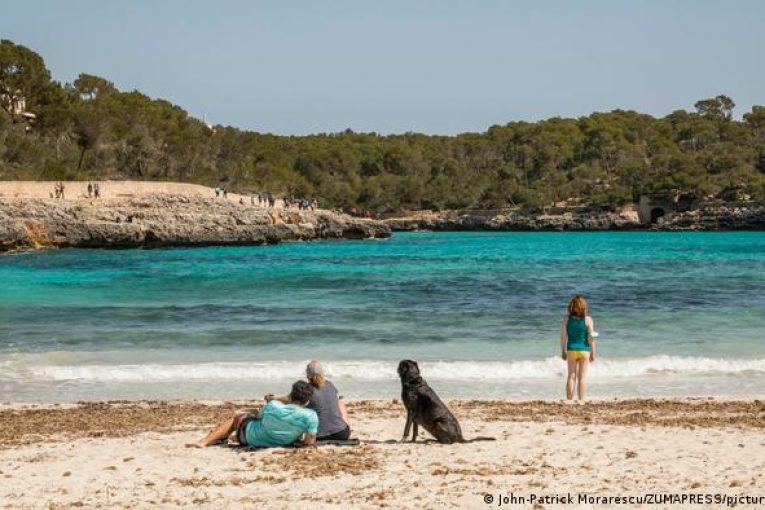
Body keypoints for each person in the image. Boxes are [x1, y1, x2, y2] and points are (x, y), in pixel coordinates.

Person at [187, 381, 318, 448]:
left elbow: (259, 417)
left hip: (248, 439)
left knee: (237, 418)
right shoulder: (311, 416)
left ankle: (204, 441)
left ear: (290, 395)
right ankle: (224, 438)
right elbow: (309, 441)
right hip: (281, 442)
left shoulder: (273, 406)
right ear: (307, 401)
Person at [267, 360, 351, 441]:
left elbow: (289, 399)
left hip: (319, 436)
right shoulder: (329, 384)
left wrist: (273, 398)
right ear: (322, 373)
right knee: (339, 401)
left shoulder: (306, 389)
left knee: (298, 406)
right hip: (342, 433)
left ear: (307, 375)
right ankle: (344, 423)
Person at [560, 295, 597, 402]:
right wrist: (593, 353)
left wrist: (563, 351)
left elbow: (563, 336)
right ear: (584, 307)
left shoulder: (566, 319)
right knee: (582, 378)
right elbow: (592, 338)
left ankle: (569, 399)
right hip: (584, 350)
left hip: (571, 349)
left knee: (571, 376)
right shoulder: (588, 320)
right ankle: (582, 400)